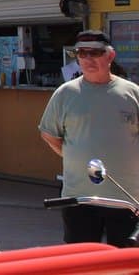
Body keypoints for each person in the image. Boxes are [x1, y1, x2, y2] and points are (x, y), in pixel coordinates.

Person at [39, 30, 139, 246]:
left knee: (125, 260)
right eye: (81, 53)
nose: (87, 59)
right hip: (79, 198)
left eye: (95, 52)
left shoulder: (132, 93)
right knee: (82, 259)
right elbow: (49, 134)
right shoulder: (65, 94)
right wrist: (75, 155)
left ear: (110, 56)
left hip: (126, 199)